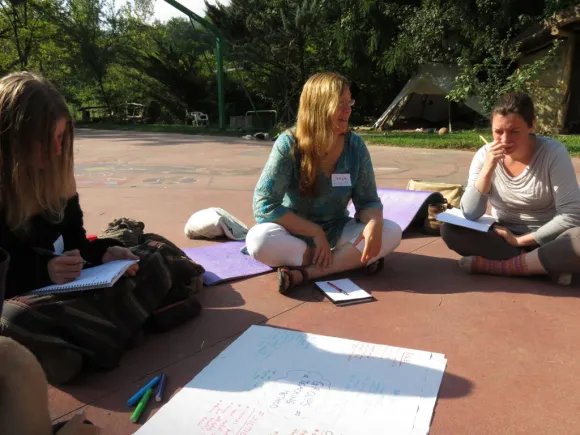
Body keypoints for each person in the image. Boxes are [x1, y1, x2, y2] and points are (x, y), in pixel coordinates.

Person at [0, 71, 204, 385]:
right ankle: (125, 323)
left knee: (148, 255)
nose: (58, 151)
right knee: (13, 318)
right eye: (49, 141)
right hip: (26, 296)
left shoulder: (56, 177)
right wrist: (44, 271)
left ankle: (80, 341)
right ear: (14, 140)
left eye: (62, 139)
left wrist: (104, 254)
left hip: (69, 290)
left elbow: (76, 243)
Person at [246, 72, 402, 293]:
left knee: (391, 231)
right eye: (340, 103)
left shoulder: (355, 146)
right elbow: (264, 205)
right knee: (259, 241)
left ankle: (305, 273)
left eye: (350, 102)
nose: (348, 110)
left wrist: (374, 222)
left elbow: (368, 201)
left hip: (337, 230)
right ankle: (347, 260)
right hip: (293, 232)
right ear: (318, 107)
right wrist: (314, 233)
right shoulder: (289, 144)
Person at [440, 92, 580, 285]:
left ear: (532, 126)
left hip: (550, 237)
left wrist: (519, 241)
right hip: (502, 237)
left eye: (514, 131)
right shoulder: (484, 155)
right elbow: (471, 213)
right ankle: (541, 266)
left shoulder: (553, 154)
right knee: (450, 230)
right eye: (498, 132)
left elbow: (572, 215)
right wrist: (487, 169)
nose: (505, 140)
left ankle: (501, 267)